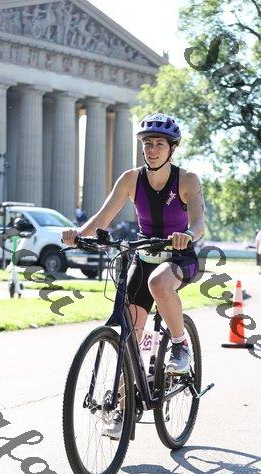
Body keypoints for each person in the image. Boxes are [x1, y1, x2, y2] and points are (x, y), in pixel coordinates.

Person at [62, 113, 205, 435]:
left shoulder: (187, 180)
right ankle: (123, 409)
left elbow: (199, 223)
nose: (152, 150)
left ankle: (180, 344)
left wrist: (187, 236)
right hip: (144, 255)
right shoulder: (130, 179)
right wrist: (79, 235)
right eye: (147, 144)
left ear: (172, 149)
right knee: (131, 336)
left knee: (159, 283)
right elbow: (102, 218)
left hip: (180, 254)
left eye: (159, 144)